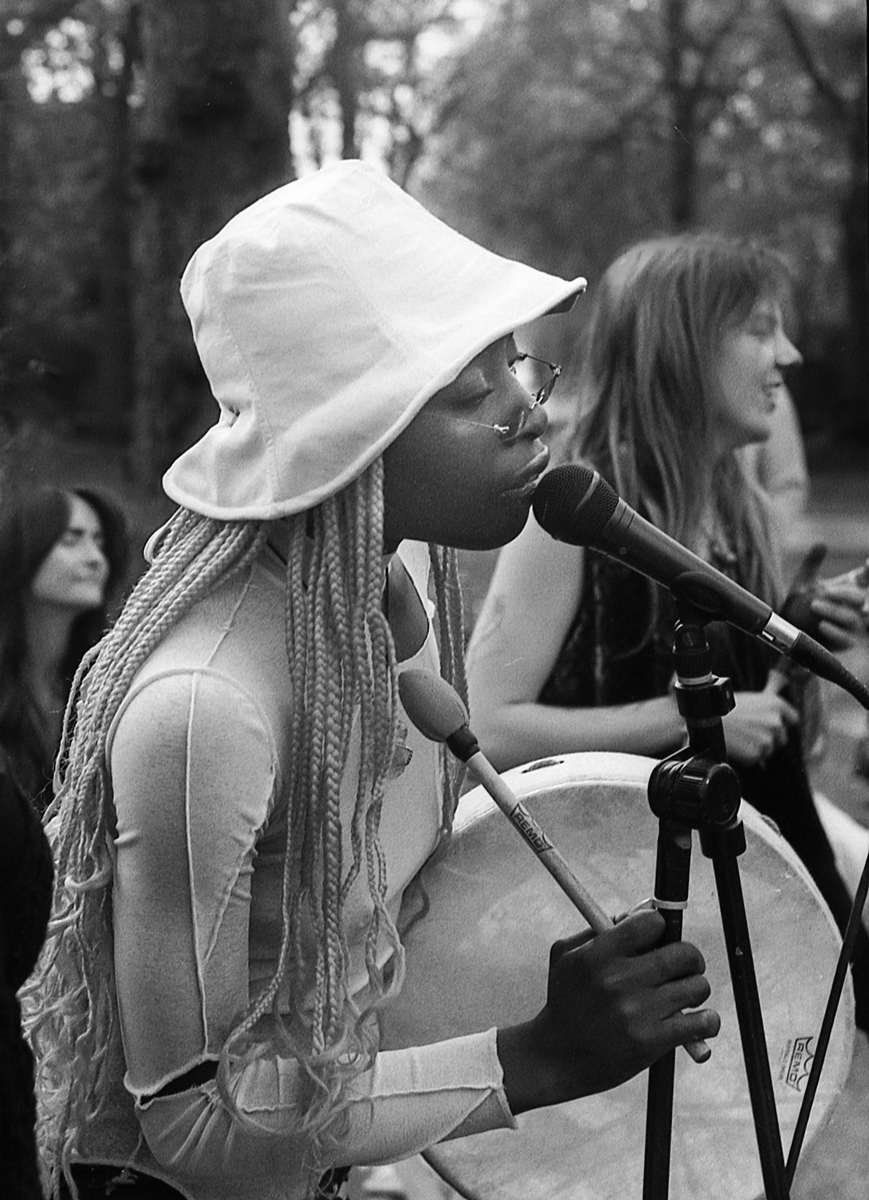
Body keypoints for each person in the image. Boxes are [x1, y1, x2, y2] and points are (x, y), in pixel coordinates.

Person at [25, 164, 720, 1200]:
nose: (529, 414)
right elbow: (191, 1119)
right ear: (342, 436)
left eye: (517, 370)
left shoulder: (393, 602)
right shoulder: (203, 707)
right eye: (470, 392)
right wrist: (535, 1055)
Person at [466, 232, 869, 1031]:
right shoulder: (577, 511)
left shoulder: (737, 505)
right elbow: (489, 727)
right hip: (636, 916)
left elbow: (725, 687)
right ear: (679, 349)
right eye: (758, 329)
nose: (786, 354)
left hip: (763, 880)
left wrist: (788, 621)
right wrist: (688, 719)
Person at [0, 484, 129, 814]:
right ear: (24, 550)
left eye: (99, 542)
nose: (95, 558)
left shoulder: (104, 680)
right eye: (72, 540)